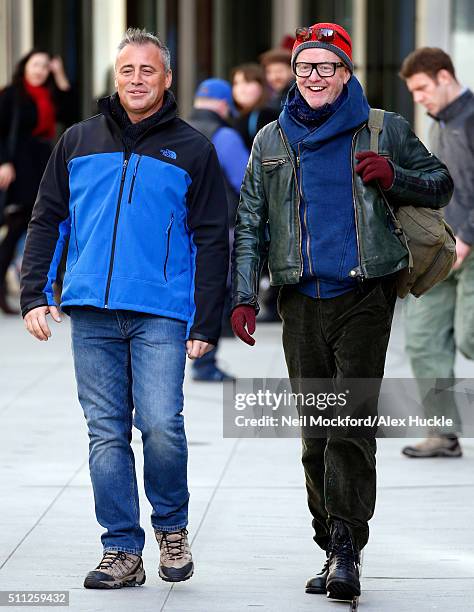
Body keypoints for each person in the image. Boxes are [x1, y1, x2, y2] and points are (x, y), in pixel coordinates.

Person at [231, 23, 453, 601]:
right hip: (301, 300)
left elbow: (441, 184)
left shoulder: (384, 128)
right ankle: (329, 543)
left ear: (346, 73)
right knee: (313, 434)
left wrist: (395, 175)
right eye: (305, 68)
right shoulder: (271, 139)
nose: (313, 78)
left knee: (349, 425)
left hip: (365, 295)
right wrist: (241, 295)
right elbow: (251, 221)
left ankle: (349, 548)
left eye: (326, 67)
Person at [20, 28, 228, 589]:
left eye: (147, 71)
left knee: (161, 424)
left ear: (166, 79)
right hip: (89, 310)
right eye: (127, 70)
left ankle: (172, 527)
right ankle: (121, 550)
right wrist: (35, 292)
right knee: (106, 433)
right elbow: (47, 220)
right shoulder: (79, 140)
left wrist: (207, 319)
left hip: (160, 310)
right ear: (117, 77)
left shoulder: (193, 148)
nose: (136, 80)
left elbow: (213, 237)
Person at [399, 48, 474, 458]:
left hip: (470, 247)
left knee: (470, 339)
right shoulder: (439, 126)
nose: (419, 98)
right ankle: (442, 433)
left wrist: (467, 236)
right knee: (424, 340)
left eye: (423, 88)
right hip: (442, 252)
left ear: (445, 76)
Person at [0, 50, 73, 314]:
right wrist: (4, 162)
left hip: (44, 158)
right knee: (20, 223)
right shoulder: (12, 93)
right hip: (20, 163)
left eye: (45, 66)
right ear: (25, 66)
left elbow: (70, 113)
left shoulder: (49, 94)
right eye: (36, 65)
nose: (40, 70)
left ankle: (57, 286)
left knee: (51, 219)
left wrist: (61, 75)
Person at [187, 78, 249, 381]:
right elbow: (246, 182)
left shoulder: (176, 132)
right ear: (224, 105)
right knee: (211, 294)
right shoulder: (224, 137)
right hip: (216, 229)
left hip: (176, 230)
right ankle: (204, 363)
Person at [231, 63, 279, 151]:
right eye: (236, 83)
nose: (240, 89)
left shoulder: (266, 116)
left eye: (247, 82)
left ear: (262, 86)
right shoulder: (234, 115)